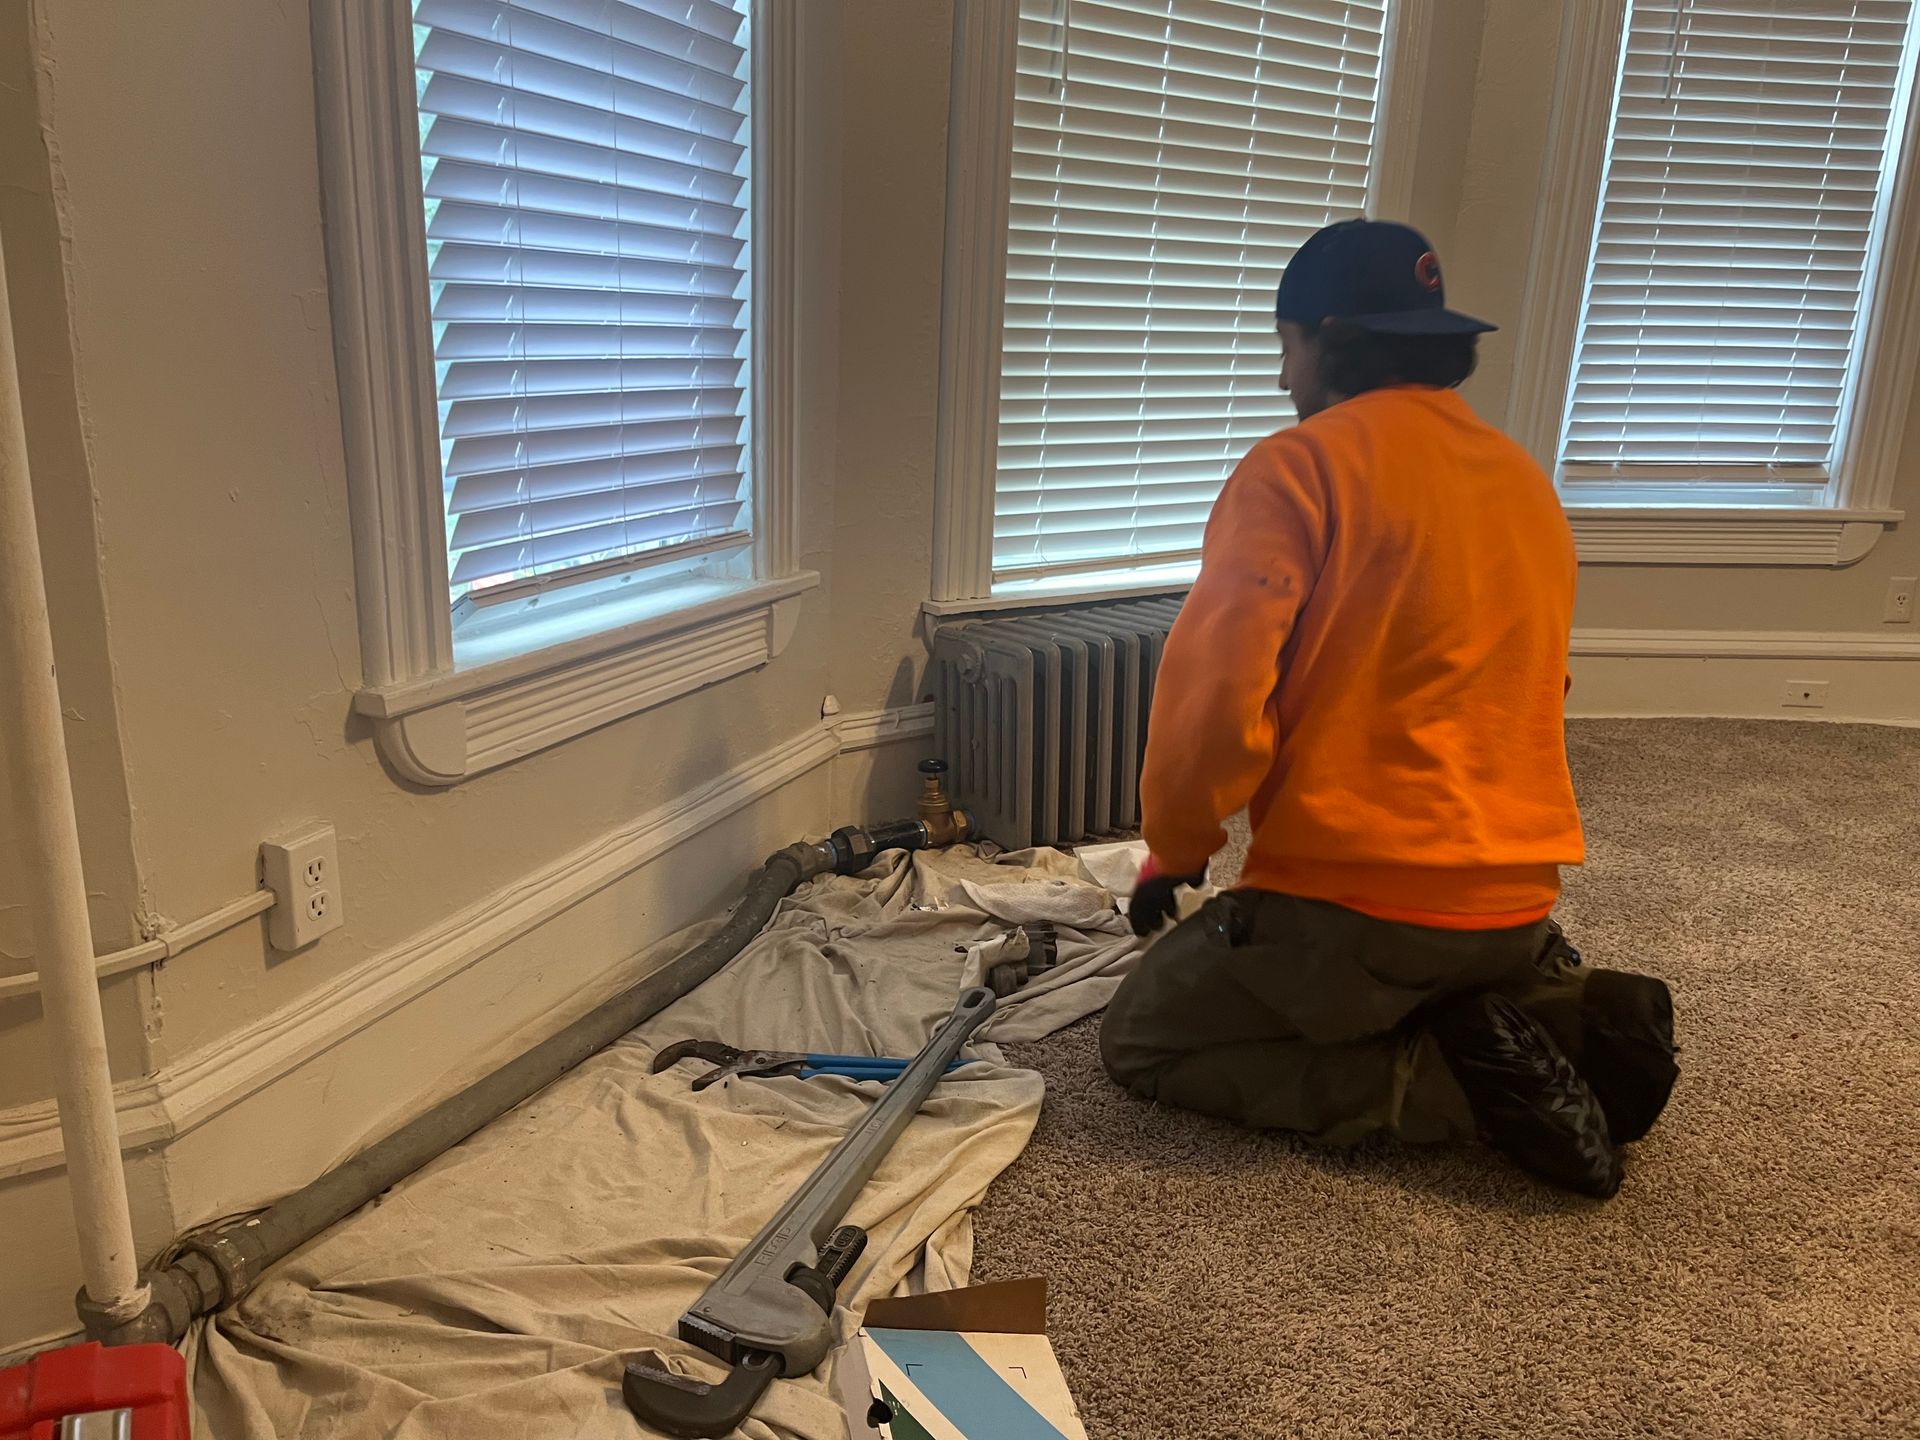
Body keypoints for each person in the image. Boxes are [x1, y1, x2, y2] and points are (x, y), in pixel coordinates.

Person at [1099, 219, 1678, 1198]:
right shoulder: (1523, 482)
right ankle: (1563, 1014)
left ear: (1327, 336)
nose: (1284, 379)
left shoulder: (1295, 469)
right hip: (1515, 903)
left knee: (1143, 1034)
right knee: (1439, 977)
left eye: (1287, 347)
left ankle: (1449, 1088)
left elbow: (1217, 696)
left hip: (1360, 912)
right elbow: (1540, 690)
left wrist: (1180, 845)